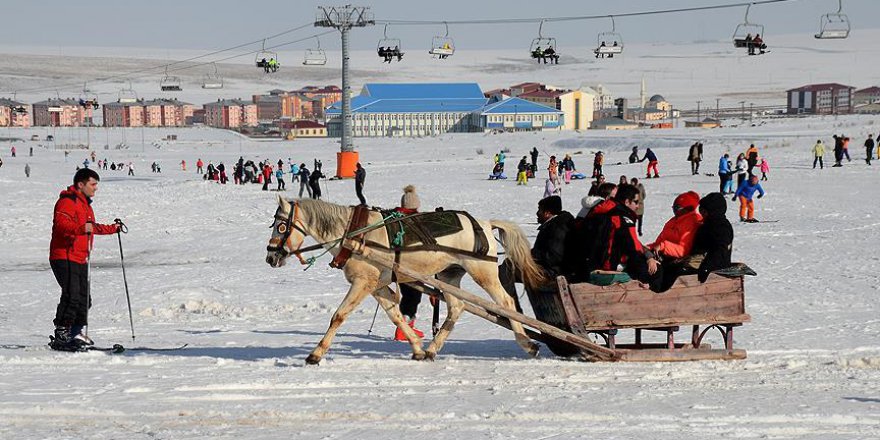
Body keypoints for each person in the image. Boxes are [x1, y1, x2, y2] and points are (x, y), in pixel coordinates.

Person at [48, 168, 122, 351]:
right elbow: (62, 225)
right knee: (72, 295)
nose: (95, 188)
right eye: (93, 184)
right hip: (64, 255)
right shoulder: (67, 202)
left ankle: (75, 332)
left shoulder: (85, 205)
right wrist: (82, 228)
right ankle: (62, 333)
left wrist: (113, 228)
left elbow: (91, 227)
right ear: (81, 184)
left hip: (80, 257)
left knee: (84, 298)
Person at [500, 195, 573, 312]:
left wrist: (528, 257)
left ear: (547, 213)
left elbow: (553, 256)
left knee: (507, 268)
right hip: (549, 269)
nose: (537, 213)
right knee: (508, 264)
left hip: (551, 272)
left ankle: (513, 310)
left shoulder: (558, 228)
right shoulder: (553, 225)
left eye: (539, 210)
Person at [588, 184, 663, 291]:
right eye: (636, 202)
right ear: (627, 202)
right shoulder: (622, 217)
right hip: (608, 263)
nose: (638, 206)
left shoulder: (599, 210)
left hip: (593, 260)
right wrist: (648, 265)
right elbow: (634, 249)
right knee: (657, 270)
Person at [393, 185, 426, 340]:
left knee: (408, 296)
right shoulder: (417, 221)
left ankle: (406, 328)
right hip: (412, 265)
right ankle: (404, 330)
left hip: (397, 264)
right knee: (413, 297)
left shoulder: (395, 219)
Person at [690, 193, 734, 282]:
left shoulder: (721, 227)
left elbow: (720, 250)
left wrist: (706, 267)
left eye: (703, 211)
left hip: (713, 265)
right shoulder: (707, 224)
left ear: (713, 211)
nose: (701, 213)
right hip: (699, 260)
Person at [649, 191, 703, 261]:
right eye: (673, 207)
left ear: (687, 209)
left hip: (677, 261)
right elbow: (658, 243)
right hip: (663, 255)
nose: (674, 210)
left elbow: (683, 250)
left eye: (677, 207)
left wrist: (663, 246)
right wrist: (647, 248)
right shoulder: (673, 220)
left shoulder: (692, 222)